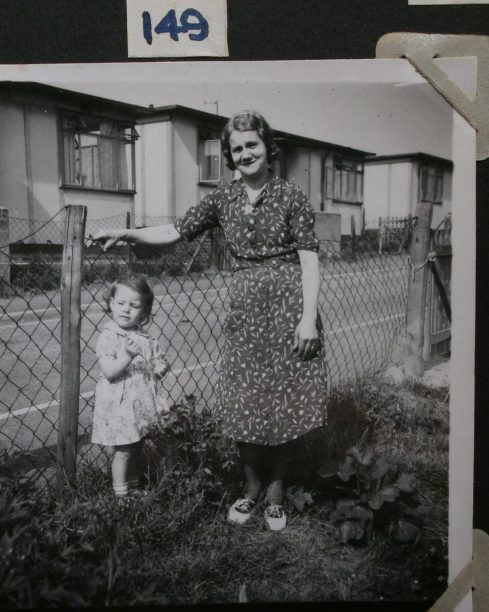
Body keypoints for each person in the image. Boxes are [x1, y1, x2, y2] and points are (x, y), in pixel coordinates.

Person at [93, 110, 328, 530]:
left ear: (267, 147)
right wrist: (129, 234)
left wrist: (308, 319)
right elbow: (175, 231)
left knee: (286, 401)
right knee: (244, 402)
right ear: (229, 156)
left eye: (252, 144)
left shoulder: (292, 196)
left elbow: (310, 261)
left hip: (291, 309)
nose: (245, 153)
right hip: (246, 313)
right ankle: (250, 488)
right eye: (236, 149)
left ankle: (276, 493)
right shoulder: (223, 199)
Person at [91, 276, 170, 497]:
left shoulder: (145, 338)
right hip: (120, 406)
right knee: (123, 451)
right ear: (111, 304)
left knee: (136, 447)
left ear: (144, 313)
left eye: (134, 306)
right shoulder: (109, 336)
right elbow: (110, 372)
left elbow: (155, 366)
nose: (126, 310)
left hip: (140, 404)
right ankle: (120, 496)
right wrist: (126, 355)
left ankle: (134, 487)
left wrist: (161, 366)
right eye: (120, 303)